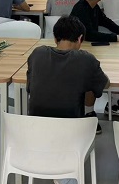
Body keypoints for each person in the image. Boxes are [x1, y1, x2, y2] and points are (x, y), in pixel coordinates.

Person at [27, 15, 109, 143]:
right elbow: (105, 84)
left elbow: (29, 87)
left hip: (36, 130)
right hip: (71, 132)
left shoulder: (37, 53)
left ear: (55, 38)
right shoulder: (86, 59)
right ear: (80, 39)